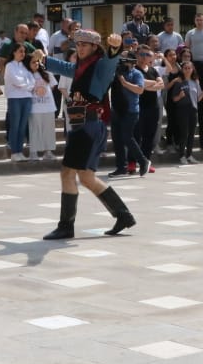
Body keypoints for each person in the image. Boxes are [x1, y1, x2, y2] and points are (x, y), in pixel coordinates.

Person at [39, 30, 138, 238]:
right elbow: (61, 66)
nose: (81, 48)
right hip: (86, 126)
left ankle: (66, 226)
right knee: (86, 177)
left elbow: (112, 58)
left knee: (67, 173)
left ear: (94, 47)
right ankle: (123, 215)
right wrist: (38, 55)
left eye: (85, 44)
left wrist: (115, 46)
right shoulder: (79, 68)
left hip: (88, 126)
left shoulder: (101, 65)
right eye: (79, 44)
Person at [108, 52, 150, 177]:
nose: (123, 63)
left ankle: (143, 161)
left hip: (130, 111)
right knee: (117, 140)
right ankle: (121, 167)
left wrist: (124, 83)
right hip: (116, 110)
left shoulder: (136, 73)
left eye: (125, 61)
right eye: (121, 60)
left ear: (133, 62)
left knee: (127, 137)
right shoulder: (115, 73)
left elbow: (140, 89)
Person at [3, 42, 34, 161]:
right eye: (20, 51)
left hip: (26, 98)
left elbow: (32, 81)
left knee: (22, 126)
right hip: (14, 98)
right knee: (14, 125)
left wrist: (25, 85)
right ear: (14, 52)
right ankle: (14, 152)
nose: (23, 54)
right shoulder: (10, 66)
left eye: (24, 51)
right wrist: (26, 84)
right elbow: (16, 81)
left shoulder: (25, 66)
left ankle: (20, 151)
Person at [27, 48, 58, 161]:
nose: (35, 64)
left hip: (48, 106)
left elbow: (53, 86)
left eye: (37, 62)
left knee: (48, 130)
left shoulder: (46, 73)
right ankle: (33, 152)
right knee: (35, 130)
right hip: (34, 107)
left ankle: (48, 151)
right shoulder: (27, 75)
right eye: (33, 62)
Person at [168, 59, 200, 164]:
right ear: (182, 70)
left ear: (192, 69)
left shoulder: (195, 82)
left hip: (193, 110)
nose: (187, 70)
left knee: (191, 133)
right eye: (185, 68)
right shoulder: (179, 82)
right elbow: (174, 99)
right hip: (182, 110)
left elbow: (197, 98)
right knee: (184, 133)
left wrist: (202, 95)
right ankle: (182, 155)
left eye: (189, 68)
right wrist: (180, 96)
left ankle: (189, 155)